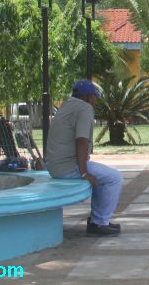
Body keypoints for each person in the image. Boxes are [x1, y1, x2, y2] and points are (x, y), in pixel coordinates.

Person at [46, 80, 123, 236]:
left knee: (103, 176)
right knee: (114, 178)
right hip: (68, 167)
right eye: (94, 97)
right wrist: (84, 173)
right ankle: (99, 222)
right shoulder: (84, 108)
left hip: (55, 166)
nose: (95, 101)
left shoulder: (66, 106)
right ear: (88, 97)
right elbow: (81, 140)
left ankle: (98, 220)